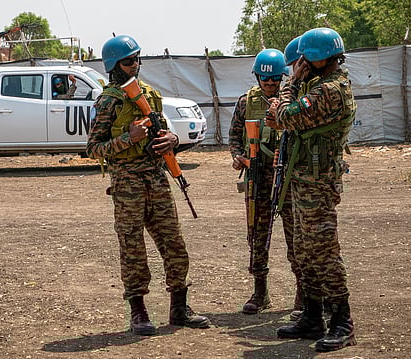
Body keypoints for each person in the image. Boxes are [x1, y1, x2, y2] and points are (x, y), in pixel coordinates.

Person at [86, 34, 210, 336]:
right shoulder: (108, 101)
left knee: (174, 244)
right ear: (115, 66)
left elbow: (165, 132)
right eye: (129, 61)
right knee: (133, 248)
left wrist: (173, 140)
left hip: (156, 179)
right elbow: (93, 148)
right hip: (127, 182)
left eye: (138, 59)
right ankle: (138, 311)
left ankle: (179, 307)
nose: (136, 65)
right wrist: (129, 138)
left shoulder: (150, 95)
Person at [271, 27, 357, 352]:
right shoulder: (321, 85)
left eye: (306, 58)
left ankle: (342, 321)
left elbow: (287, 115)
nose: (301, 63)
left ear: (319, 59)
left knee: (323, 249)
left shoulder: (329, 90)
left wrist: (291, 86)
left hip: (317, 183)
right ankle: (312, 315)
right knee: (305, 249)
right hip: (304, 179)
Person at [228, 48, 301, 316]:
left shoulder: (291, 101)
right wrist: (238, 157)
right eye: (264, 79)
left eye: (274, 80)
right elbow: (235, 136)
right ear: (258, 76)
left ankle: (302, 295)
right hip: (257, 177)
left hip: (286, 177)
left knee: (296, 236)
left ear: (282, 77)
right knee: (257, 236)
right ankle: (260, 292)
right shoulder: (246, 101)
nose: (270, 84)